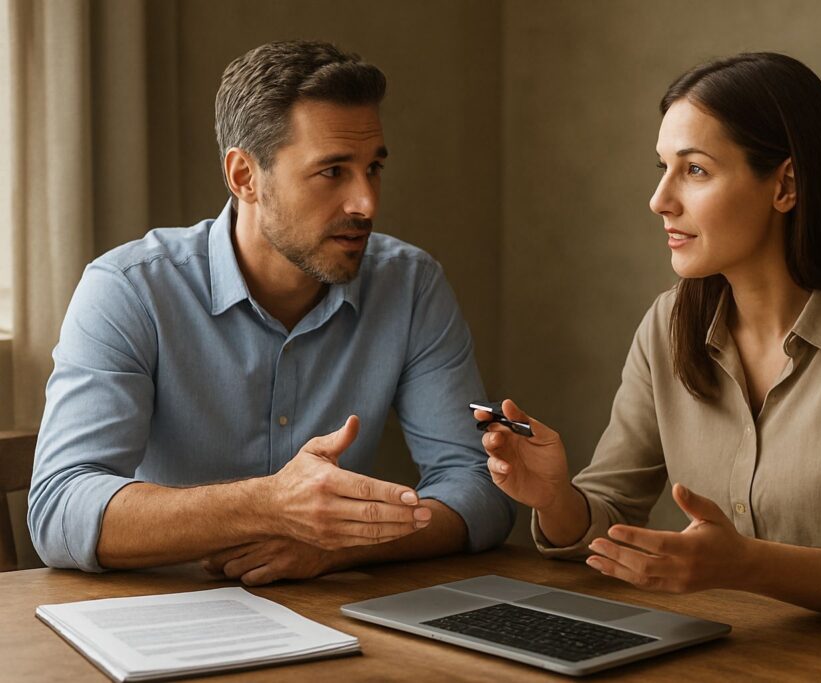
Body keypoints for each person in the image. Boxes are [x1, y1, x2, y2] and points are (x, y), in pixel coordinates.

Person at [477, 53, 821, 621]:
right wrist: (555, 497)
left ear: (785, 184)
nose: (660, 200)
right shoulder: (667, 324)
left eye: (695, 170)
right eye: (661, 168)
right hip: (732, 653)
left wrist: (746, 565)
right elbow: (608, 516)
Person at [28, 40, 514, 584]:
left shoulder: (411, 284)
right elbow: (59, 508)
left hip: (334, 617)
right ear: (244, 177)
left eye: (373, 167)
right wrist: (270, 504)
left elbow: (477, 488)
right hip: (159, 619)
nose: (367, 204)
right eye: (333, 172)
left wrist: (338, 547)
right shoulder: (127, 290)